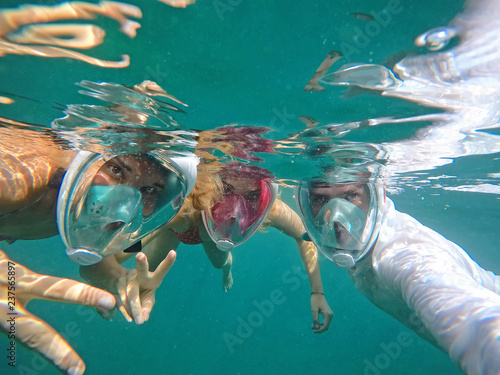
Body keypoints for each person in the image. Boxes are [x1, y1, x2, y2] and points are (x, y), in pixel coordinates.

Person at [0, 123, 197, 374]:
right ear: (85, 158)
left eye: (149, 190)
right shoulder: (29, 179)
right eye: (116, 170)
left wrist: (117, 277)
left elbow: (96, 259)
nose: (123, 203)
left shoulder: (100, 213)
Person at [83, 160, 334, 333]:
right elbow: (108, 254)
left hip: (215, 244)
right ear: (213, 185)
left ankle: (228, 267)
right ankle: (225, 263)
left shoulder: (274, 210)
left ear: (264, 198)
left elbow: (304, 236)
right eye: (227, 190)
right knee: (132, 259)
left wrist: (318, 292)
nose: (236, 210)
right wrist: (114, 279)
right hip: (175, 231)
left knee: (220, 261)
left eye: (251, 197)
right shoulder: (186, 207)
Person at [295, 170, 500, 374]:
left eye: (351, 196)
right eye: (321, 199)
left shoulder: (405, 256)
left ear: (375, 198)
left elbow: (477, 327)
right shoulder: (349, 239)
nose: (337, 216)